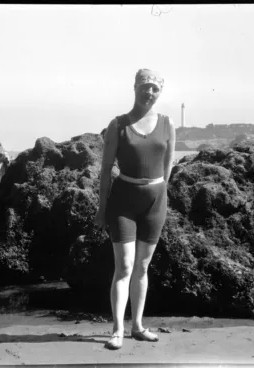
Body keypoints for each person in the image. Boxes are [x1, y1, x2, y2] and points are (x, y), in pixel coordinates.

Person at [93, 69, 176, 350]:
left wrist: (160, 195)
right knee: (125, 265)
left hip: (155, 202)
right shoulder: (118, 125)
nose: (149, 92)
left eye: (154, 88)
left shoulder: (167, 124)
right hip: (123, 201)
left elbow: (167, 170)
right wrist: (101, 208)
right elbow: (105, 170)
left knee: (142, 266)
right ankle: (117, 330)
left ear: (159, 92)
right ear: (135, 88)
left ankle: (138, 326)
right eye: (145, 86)